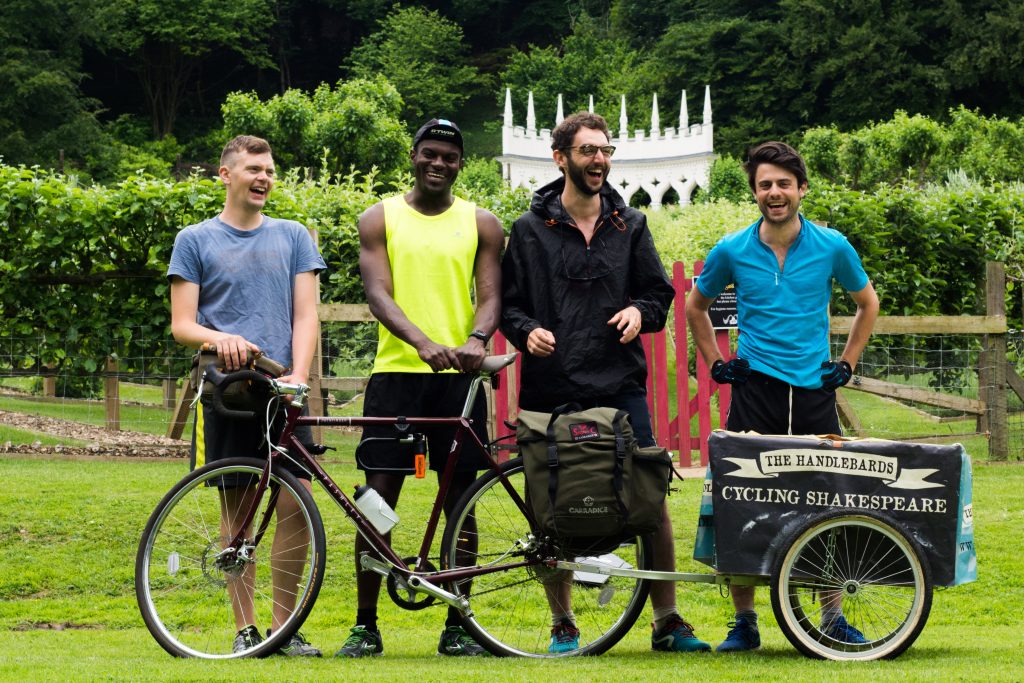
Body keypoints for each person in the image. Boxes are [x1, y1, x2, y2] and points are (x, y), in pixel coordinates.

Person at [501, 111, 711, 655]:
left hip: (620, 383)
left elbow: (658, 293)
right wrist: (527, 333)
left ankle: (667, 620)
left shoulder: (631, 225)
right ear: (561, 157)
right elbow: (508, 305)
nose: (600, 160)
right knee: (550, 502)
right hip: (551, 385)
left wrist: (641, 313)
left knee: (651, 495)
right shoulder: (528, 231)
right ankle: (563, 623)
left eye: (605, 150)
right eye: (588, 150)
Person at [685, 140, 880, 652]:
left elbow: (867, 303)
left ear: (801, 189)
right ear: (754, 192)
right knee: (744, 499)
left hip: (814, 389)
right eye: (765, 184)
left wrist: (847, 363)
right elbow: (695, 307)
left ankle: (831, 617)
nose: (774, 193)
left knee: (825, 500)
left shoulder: (832, 245)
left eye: (783, 184)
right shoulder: (732, 249)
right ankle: (745, 622)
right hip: (756, 388)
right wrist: (716, 363)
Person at [335, 118, 504, 658]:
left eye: (449, 157)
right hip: (396, 379)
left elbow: (491, 294)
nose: (438, 164)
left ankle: (459, 626)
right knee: (377, 500)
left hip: (459, 381)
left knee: (461, 501)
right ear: (413, 155)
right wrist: (423, 342)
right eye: (429, 154)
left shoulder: (482, 222)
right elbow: (378, 293)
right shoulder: (378, 217)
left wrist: (477, 338)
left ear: (460, 164)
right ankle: (365, 626)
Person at [167, 134, 327, 656]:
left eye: (270, 170)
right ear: (226, 174)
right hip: (228, 393)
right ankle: (247, 629)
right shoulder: (194, 239)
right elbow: (182, 325)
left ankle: (286, 628)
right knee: (236, 509)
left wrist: (298, 374)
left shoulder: (294, 236)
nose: (264, 178)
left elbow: (306, 314)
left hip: (284, 390)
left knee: (295, 506)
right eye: (254, 169)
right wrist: (222, 338)